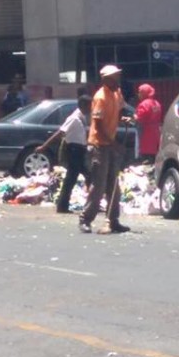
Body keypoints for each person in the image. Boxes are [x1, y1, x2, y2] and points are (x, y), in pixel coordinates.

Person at [80, 65, 132, 235]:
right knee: (99, 184)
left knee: (113, 184)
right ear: (106, 80)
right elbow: (98, 124)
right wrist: (113, 143)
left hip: (110, 144)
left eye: (118, 76)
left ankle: (113, 220)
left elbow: (119, 111)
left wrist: (123, 119)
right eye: (114, 77)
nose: (118, 80)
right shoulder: (100, 97)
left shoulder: (117, 94)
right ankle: (85, 219)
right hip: (99, 145)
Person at [37, 95, 92, 213]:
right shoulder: (74, 118)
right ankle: (62, 206)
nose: (91, 108)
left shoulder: (81, 117)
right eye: (89, 105)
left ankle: (91, 204)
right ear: (83, 105)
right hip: (74, 151)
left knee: (88, 176)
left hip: (80, 150)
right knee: (71, 179)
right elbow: (60, 132)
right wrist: (44, 146)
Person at [134, 84, 162, 163]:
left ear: (144, 93)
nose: (138, 94)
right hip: (156, 133)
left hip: (146, 135)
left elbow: (140, 118)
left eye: (140, 92)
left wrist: (134, 116)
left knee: (146, 160)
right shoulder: (157, 103)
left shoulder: (144, 104)